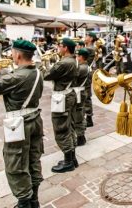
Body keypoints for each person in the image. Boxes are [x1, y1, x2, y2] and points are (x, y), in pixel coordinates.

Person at [0, 40, 44, 208]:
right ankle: (34, 200)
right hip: (34, 119)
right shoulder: (37, 72)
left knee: (15, 163)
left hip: (19, 125)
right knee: (33, 159)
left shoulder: (16, 76)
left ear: (18, 55)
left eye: (12, 53)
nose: (11, 55)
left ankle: (24, 202)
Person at [43, 38, 78, 173]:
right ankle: (72, 158)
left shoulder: (64, 63)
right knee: (69, 126)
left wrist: (43, 63)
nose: (57, 47)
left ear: (66, 48)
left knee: (61, 128)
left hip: (62, 97)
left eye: (60, 46)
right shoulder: (72, 60)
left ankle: (68, 161)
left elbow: (46, 75)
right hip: (69, 95)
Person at [74, 48, 90, 146]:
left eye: (78, 56)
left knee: (78, 115)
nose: (76, 57)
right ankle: (81, 135)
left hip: (79, 92)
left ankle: (81, 137)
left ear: (81, 57)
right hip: (81, 92)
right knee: (79, 113)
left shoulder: (82, 68)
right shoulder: (84, 66)